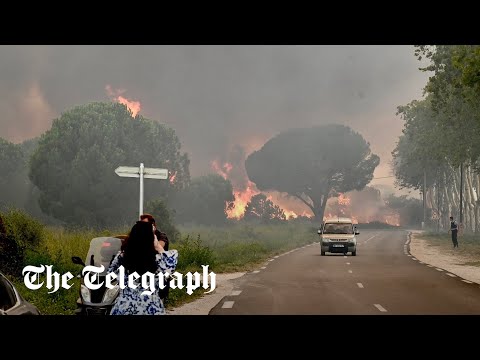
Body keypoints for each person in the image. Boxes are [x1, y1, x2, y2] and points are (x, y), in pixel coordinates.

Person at [107, 220, 178, 315]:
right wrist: (157, 246)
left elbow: (110, 274)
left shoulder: (121, 258)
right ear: (151, 238)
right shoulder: (158, 261)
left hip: (124, 307)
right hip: (151, 308)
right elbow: (170, 263)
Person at [139, 213, 171, 303]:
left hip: (159, 273)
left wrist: (152, 235)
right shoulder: (140, 236)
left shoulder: (161, 236)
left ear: (153, 225)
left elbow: (159, 247)